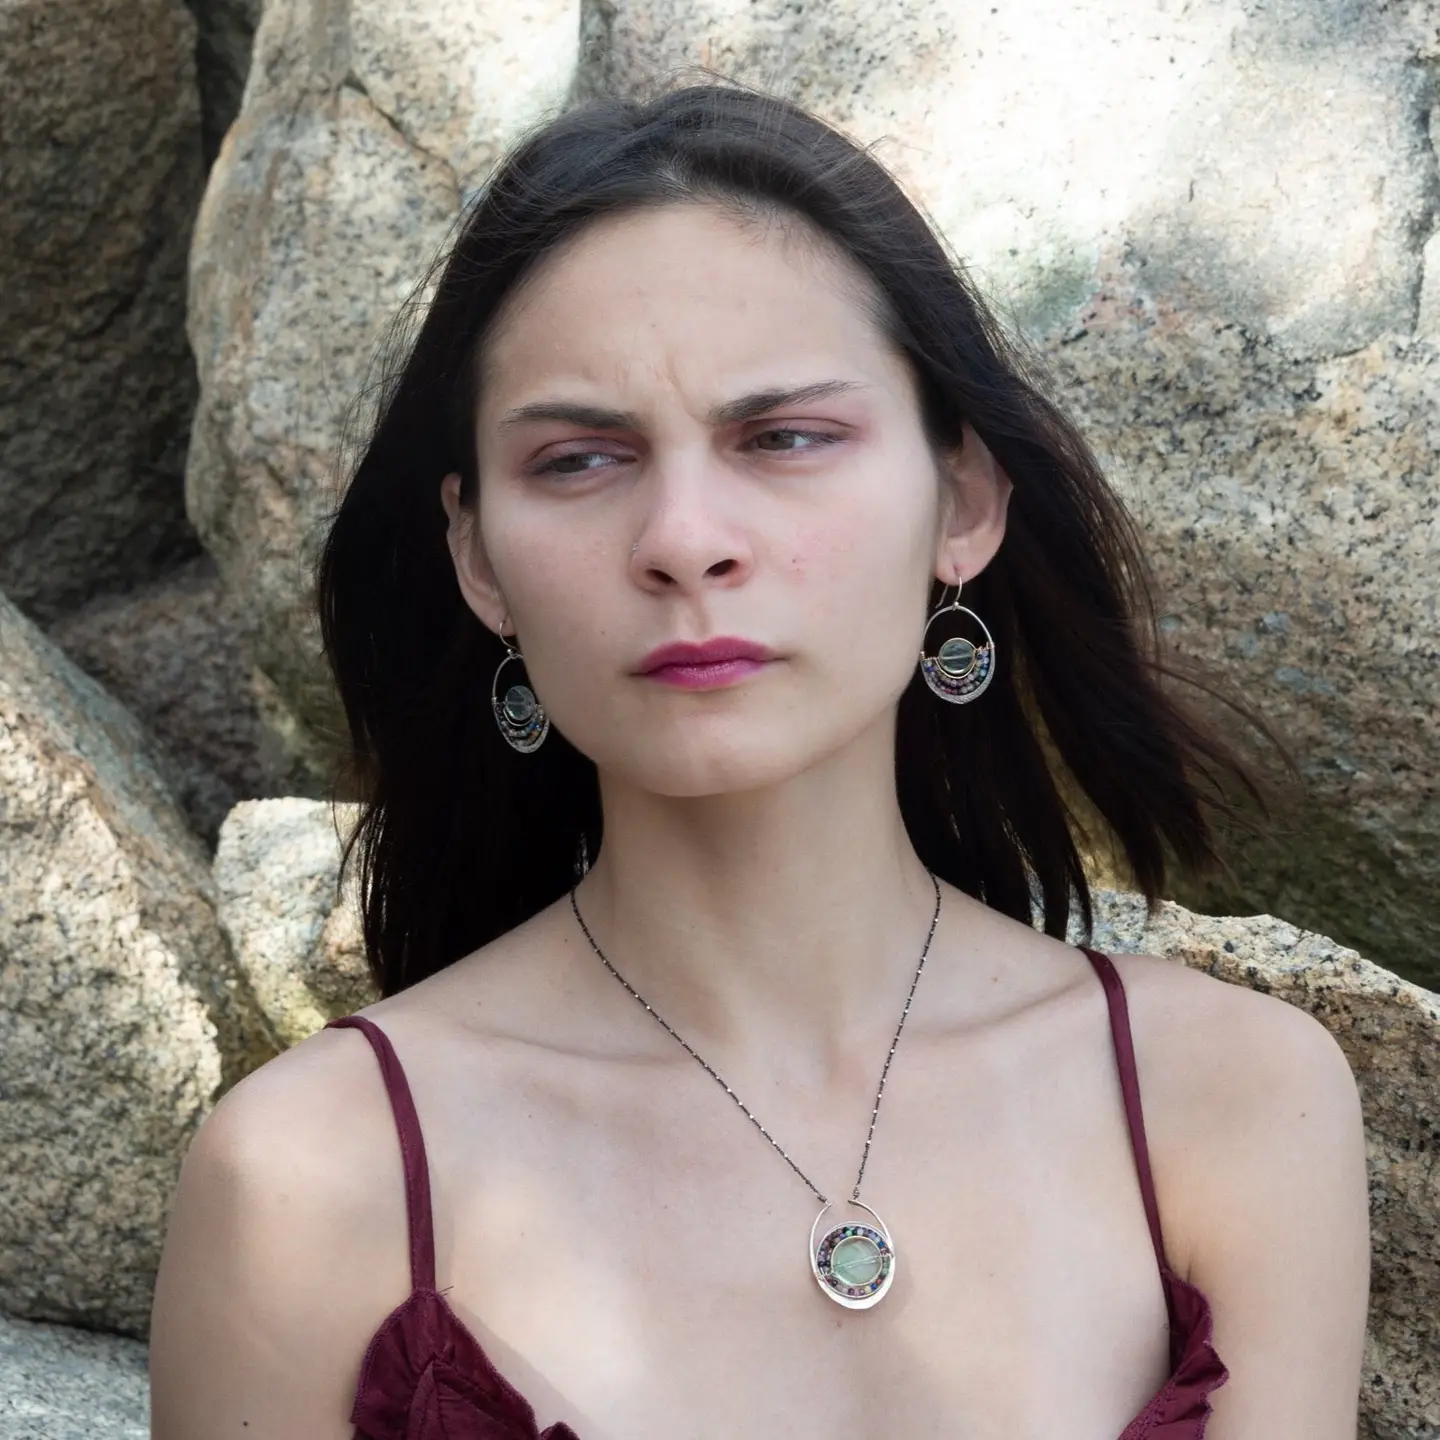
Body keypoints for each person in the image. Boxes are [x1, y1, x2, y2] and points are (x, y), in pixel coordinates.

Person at [148, 83, 1371, 1438]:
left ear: (961, 502)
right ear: (478, 556)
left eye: (783, 438)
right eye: (578, 459)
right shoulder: (313, 1180)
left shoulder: (1236, 1100)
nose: (685, 537)